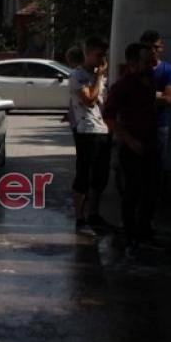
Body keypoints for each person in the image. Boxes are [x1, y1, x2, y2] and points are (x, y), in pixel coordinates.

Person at [103, 43, 158, 255]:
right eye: (146, 61)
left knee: (151, 190)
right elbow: (108, 117)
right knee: (133, 191)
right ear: (133, 63)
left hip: (151, 144)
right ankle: (130, 234)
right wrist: (128, 140)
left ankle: (144, 230)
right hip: (132, 147)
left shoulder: (149, 81)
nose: (151, 65)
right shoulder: (123, 85)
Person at [69, 36, 111, 235]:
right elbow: (89, 99)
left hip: (103, 129)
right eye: (98, 55)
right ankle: (80, 217)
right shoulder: (78, 75)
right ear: (88, 54)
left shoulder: (100, 76)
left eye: (104, 55)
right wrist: (99, 77)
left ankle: (94, 214)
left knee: (100, 177)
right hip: (86, 130)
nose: (102, 59)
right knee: (83, 175)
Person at [139, 30, 171, 188]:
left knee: (156, 168)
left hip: (159, 126)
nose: (152, 51)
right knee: (137, 169)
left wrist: (144, 96)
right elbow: (129, 98)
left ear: (161, 47)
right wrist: (156, 95)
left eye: (156, 47)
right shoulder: (135, 69)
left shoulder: (169, 70)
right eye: (148, 48)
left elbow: (168, 99)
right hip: (136, 127)